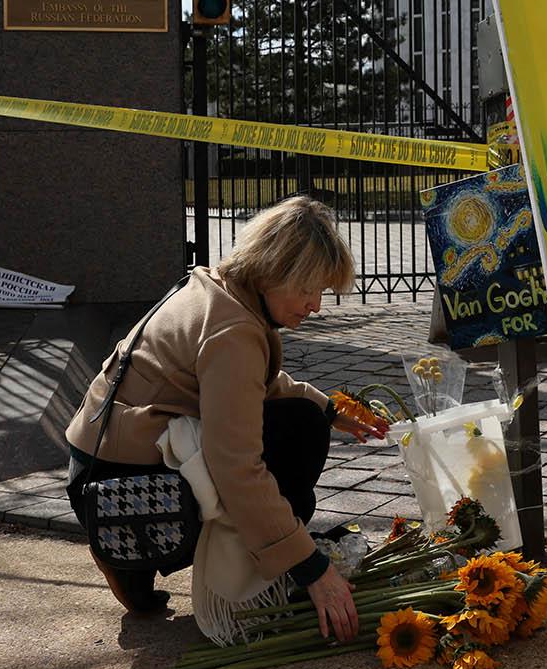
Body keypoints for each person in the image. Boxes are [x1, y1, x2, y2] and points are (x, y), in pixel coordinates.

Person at [63, 195, 387, 642]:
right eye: (309, 289)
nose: (316, 305)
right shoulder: (233, 331)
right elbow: (236, 466)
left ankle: (133, 556)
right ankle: (147, 549)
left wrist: (331, 409)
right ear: (276, 270)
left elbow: (253, 386)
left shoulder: (219, 289)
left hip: (102, 461)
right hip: (122, 485)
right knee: (298, 433)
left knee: (303, 418)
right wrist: (311, 567)